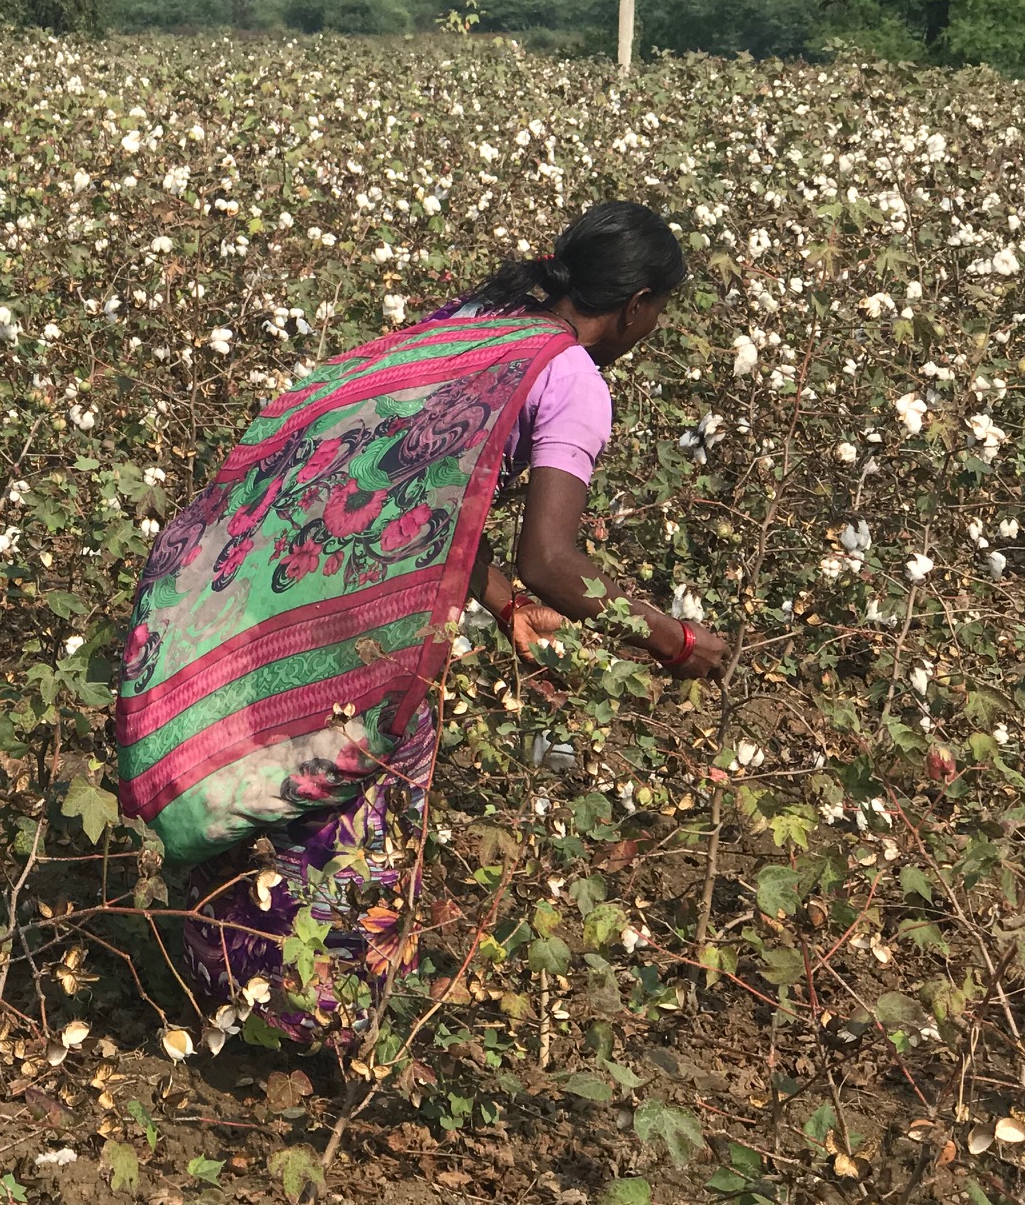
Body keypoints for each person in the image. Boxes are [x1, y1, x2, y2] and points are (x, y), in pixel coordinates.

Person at [113, 200, 726, 1044]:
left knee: (266, 763)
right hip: (367, 619)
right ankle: (304, 1030)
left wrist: (505, 603)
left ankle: (220, 988)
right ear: (638, 304)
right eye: (659, 313)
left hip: (287, 569)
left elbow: (423, 493)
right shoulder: (574, 378)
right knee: (353, 800)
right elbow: (555, 557)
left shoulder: (474, 322)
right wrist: (677, 641)